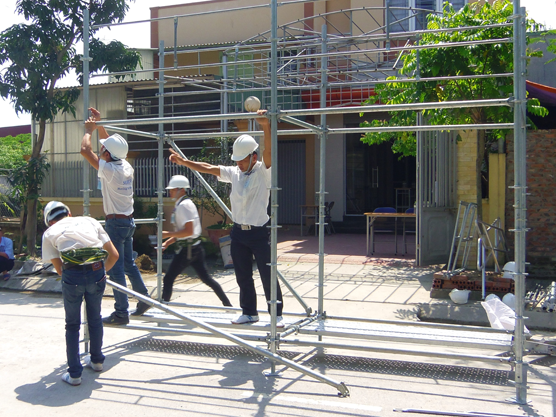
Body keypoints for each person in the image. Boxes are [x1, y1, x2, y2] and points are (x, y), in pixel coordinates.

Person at [168, 110, 284, 327]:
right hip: (238, 232)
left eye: (242, 160)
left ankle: (276, 315)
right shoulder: (234, 173)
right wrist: (185, 163)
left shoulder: (264, 171)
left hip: (259, 233)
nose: (239, 163)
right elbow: (210, 168)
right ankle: (249, 312)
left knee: (268, 274)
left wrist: (265, 126)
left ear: (253, 157)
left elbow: (269, 150)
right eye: (237, 160)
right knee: (242, 275)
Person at [81, 108, 151, 325]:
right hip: (128, 221)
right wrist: (100, 125)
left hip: (116, 223)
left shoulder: (109, 170)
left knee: (117, 268)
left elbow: (85, 150)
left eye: (103, 150)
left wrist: (89, 131)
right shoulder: (125, 165)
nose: (101, 150)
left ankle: (121, 312)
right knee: (129, 264)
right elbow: (109, 145)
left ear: (108, 155)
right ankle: (144, 298)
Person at [41, 201, 119, 386]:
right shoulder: (90, 221)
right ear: (69, 213)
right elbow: (114, 255)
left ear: (49, 221)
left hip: (72, 276)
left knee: (73, 324)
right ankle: (97, 361)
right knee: (95, 318)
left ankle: (75, 374)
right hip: (97, 272)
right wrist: (101, 274)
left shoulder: (49, 233)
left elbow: (60, 270)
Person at [160, 175, 232, 306]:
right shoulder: (182, 204)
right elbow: (185, 231)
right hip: (194, 248)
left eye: (172, 189)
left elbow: (188, 231)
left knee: (168, 278)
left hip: (188, 250)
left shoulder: (184, 206)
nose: (169, 192)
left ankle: (164, 306)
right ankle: (228, 305)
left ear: (181, 190)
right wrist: (168, 242)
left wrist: (167, 234)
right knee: (207, 279)